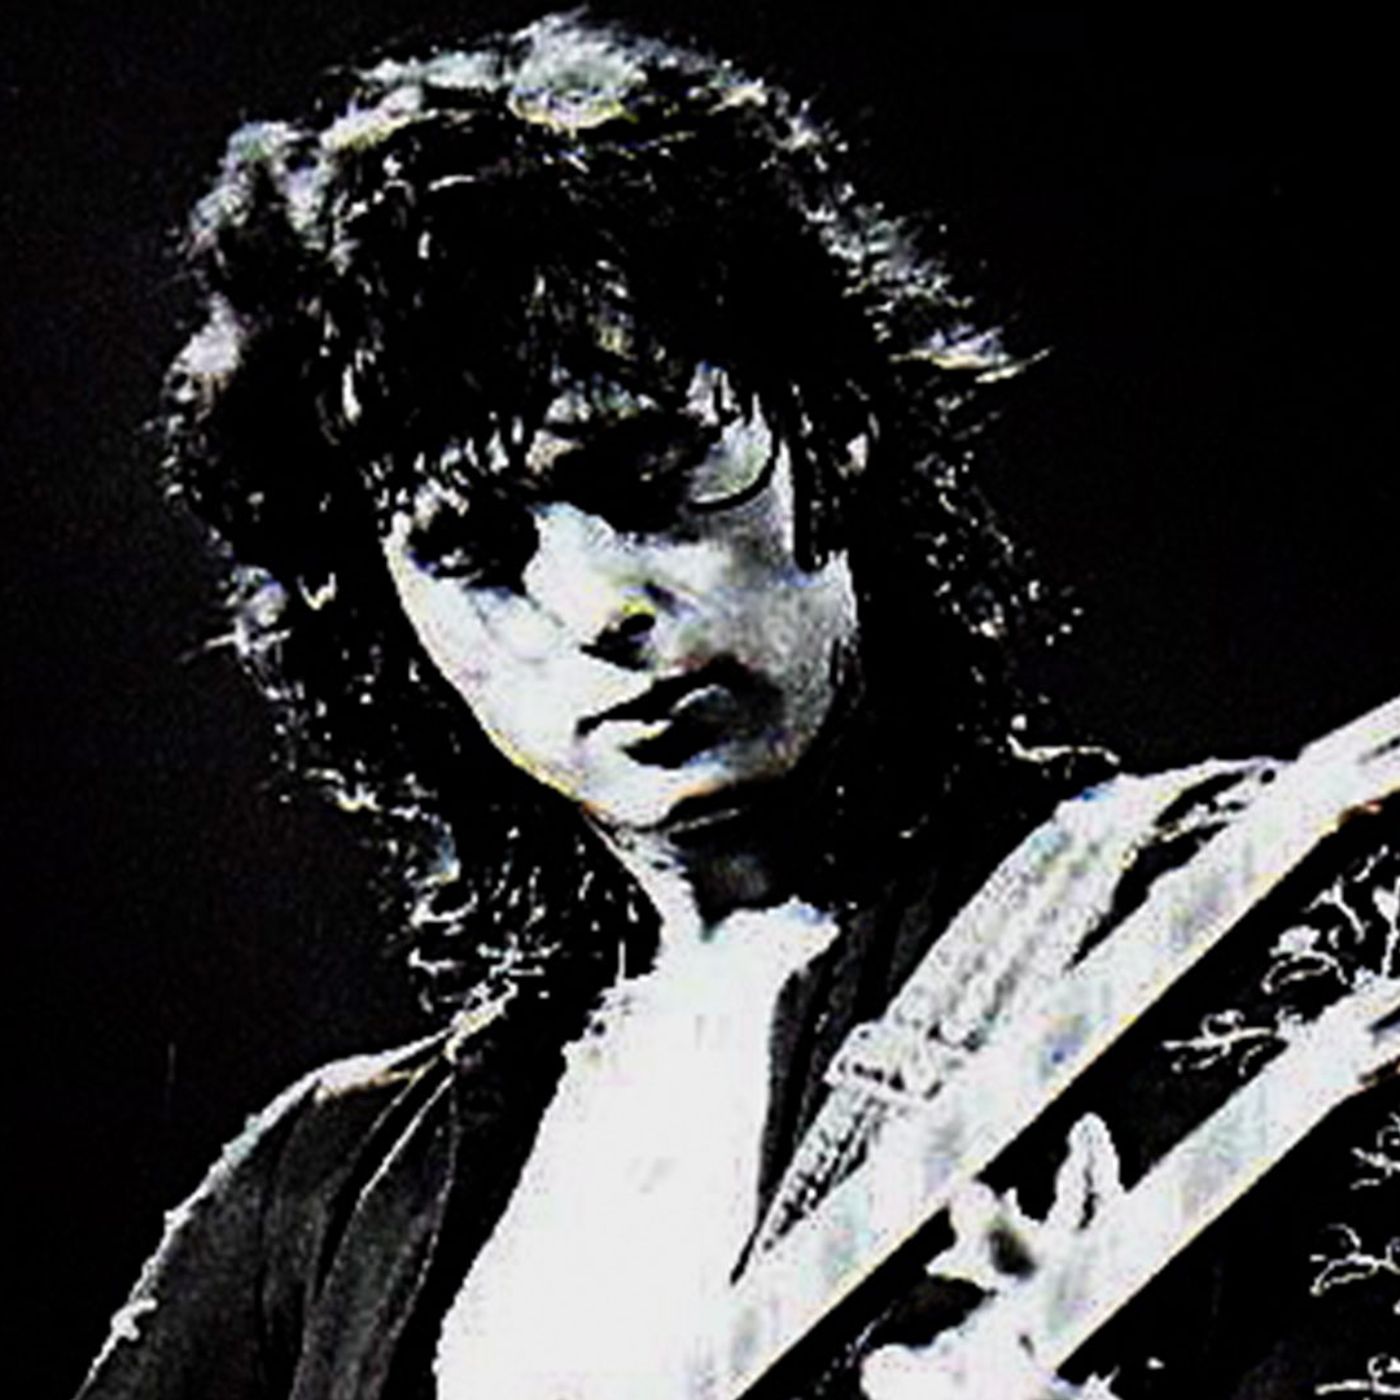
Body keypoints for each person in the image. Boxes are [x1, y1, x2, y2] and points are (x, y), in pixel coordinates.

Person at [76, 13, 1397, 1399]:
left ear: (832, 426)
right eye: (473, 550)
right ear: (391, 624)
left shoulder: (1274, 903)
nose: (598, 608)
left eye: (647, 473)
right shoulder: (319, 1198)